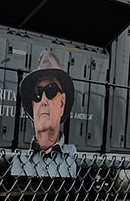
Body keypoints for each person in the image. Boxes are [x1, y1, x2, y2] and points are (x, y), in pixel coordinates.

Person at [12, 49, 79, 177]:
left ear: (62, 103)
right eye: (37, 93)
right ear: (33, 105)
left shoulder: (76, 160)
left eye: (51, 90)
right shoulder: (18, 162)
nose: (43, 101)